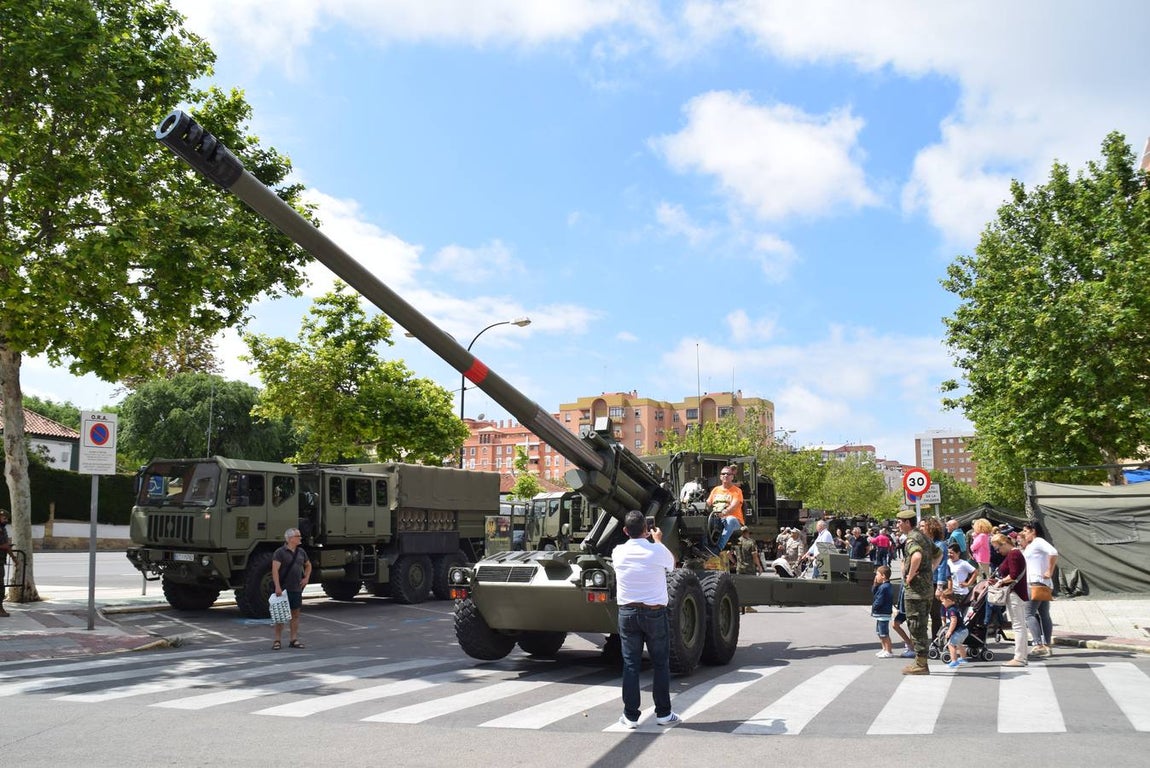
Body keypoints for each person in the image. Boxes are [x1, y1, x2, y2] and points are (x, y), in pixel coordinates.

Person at [613, 510, 680, 729]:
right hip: (654, 613)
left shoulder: (617, 552)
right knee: (660, 663)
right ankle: (664, 713)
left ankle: (630, 716)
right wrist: (658, 540)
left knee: (630, 665)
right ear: (647, 529)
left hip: (627, 613)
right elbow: (672, 563)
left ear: (625, 531)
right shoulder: (657, 550)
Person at [897, 510, 941, 675]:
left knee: (916, 626)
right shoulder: (923, 536)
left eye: (900, 522)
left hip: (916, 591)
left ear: (907, 523)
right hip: (926, 588)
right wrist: (930, 571)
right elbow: (939, 553)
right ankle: (920, 662)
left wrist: (909, 576)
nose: (898, 525)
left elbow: (916, 556)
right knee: (920, 624)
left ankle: (921, 664)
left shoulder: (912, 539)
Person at [1020, 522, 1059, 658]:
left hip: (1035, 582)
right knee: (1044, 614)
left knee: (1028, 614)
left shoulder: (1038, 542)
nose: (1024, 533)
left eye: (1026, 531)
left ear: (1033, 531)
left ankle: (1038, 644)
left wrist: (1049, 570)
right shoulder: (1033, 544)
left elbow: (1053, 552)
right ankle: (1046, 644)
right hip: (1042, 582)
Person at [991, 532, 1030, 667]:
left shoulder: (1013, 554)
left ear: (1004, 544)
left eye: (998, 549)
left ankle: (1019, 658)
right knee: (1020, 626)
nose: (998, 552)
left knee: (1018, 626)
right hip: (1017, 592)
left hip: (1015, 593)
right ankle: (1022, 656)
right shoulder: (1015, 553)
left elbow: (1013, 575)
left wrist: (1000, 582)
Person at [272, 527, 312, 650]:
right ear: (290, 538)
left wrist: (306, 578)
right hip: (283, 589)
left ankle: (293, 639)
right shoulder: (280, 552)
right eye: (298, 536)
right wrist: (277, 587)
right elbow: (275, 570)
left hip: (296, 589)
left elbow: (308, 565)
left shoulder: (301, 552)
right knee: (280, 616)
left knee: (295, 615)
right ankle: (277, 640)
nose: (300, 538)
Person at [706, 465, 745, 554]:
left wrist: (725, 512)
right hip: (716, 518)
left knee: (730, 519)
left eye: (728, 474)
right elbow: (708, 503)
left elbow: (734, 505)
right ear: (720, 477)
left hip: (734, 520)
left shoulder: (737, 491)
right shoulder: (715, 490)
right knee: (702, 521)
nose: (725, 475)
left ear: (732, 477)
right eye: (723, 474)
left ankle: (718, 549)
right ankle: (704, 547)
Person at [734, 527, 761, 614]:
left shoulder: (736, 541)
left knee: (740, 587)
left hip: (739, 568)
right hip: (749, 568)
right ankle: (748, 607)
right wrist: (759, 566)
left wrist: (735, 561)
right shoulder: (751, 542)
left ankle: (739, 606)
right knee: (750, 587)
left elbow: (728, 553)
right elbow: (754, 555)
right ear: (746, 532)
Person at [941, 591, 969, 668]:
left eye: (943, 601)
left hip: (959, 631)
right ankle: (963, 658)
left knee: (951, 645)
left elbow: (954, 621)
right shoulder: (956, 607)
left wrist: (949, 631)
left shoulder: (951, 610)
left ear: (948, 600)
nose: (942, 603)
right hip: (964, 630)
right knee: (959, 644)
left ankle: (954, 661)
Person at [872, 565, 895, 657]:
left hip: (883, 613)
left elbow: (879, 600)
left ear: (883, 576)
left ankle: (889, 651)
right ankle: (884, 649)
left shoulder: (885, 587)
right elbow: (874, 593)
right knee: (879, 633)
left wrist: (874, 607)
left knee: (884, 633)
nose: (876, 576)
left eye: (877, 574)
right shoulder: (882, 586)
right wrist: (875, 584)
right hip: (881, 614)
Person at [0, 509, 11, 617]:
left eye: (7, 519)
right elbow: (4, 546)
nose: (6, 520)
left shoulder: (3, 529)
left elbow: (6, 545)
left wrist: (14, 558)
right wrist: (2, 546)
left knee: (1, 586)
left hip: (1, 561)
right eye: (4, 518)